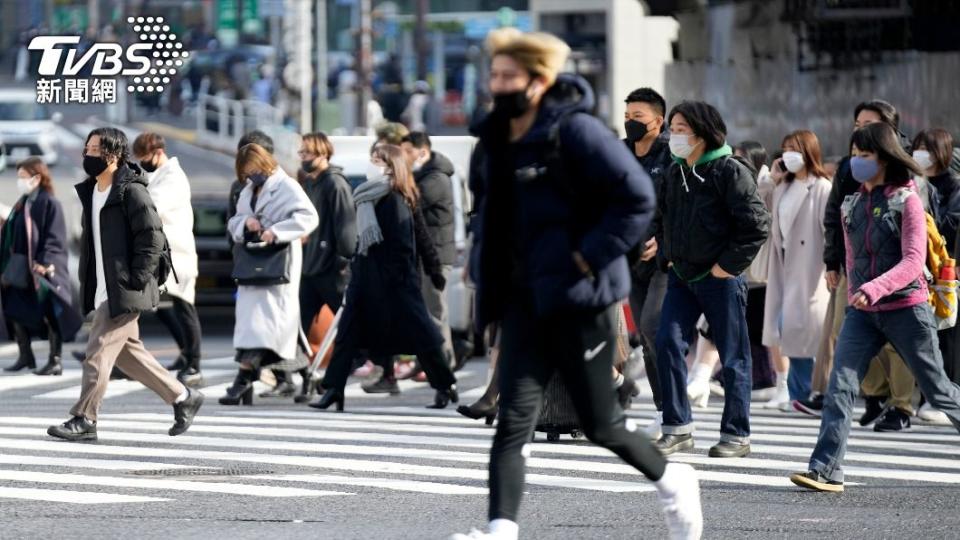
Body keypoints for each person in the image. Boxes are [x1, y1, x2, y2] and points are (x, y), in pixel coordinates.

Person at [450, 29, 702, 540]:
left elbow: (635, 199)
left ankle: (674, 479)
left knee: (600, 423)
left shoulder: (577, 133)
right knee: (514, 418)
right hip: (523, 299)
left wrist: (589, 257)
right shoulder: (494, 141)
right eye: (493, 75)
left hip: (578, 298)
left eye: (508, 76)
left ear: (539, 81)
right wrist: (484, 274)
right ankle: (500, 529)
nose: (497, 85)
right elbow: (489, 217)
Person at [790, 122, 960, 493]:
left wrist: (874, 287)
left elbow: (915, 261)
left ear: (884, 159)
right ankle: (825, 469)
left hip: (906, 310)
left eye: (864, 156)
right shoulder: (852, 203)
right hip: (864, 314)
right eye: (854, 155)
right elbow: (852, 256)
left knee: (939, 391)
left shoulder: (908, 201)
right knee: (840, 386)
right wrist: (854, 287)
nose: (856, 162)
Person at [47, 127, 203, 441]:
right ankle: (183, 397)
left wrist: (136, 279)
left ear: (113, 154)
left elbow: (152, 237)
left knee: (98, 351)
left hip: (124, 288)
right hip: (105, 286)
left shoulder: (131, 191)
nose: (87, 155)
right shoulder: (92, 191)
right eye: (86, 148)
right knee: (129, 356)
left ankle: (85, 418)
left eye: (93, 150)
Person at [652, 101, 770, 459]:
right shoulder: (674, 171)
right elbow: (664, 218)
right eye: (672, 127)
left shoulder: (729, 170)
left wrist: (727, 267)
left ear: (703, 133)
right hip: (681, 275)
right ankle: (677, 428)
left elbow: (756, 226)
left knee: (734, 356)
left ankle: (736, 435)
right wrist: (667, 256)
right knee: (667, 342)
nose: (674, 135)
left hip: (720, 278)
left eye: (681, 128)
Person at [310, 144, 459, 411]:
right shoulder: (367, 196)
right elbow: (363, 239)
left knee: (422, 336)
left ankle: (444, 384)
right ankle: (334, 389)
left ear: (391, 165)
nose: (372, 164)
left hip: (396, 283)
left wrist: (431, 272)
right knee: (347, 333)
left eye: (376, 160)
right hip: (365, 279)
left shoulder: (396, 197)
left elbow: (410, 241)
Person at [794, 99, 911, 420]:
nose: (861, 132)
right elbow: (834, 216)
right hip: (855, 267)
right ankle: (872, 395)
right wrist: (832, 262)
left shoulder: (905, 169)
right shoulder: (849, 166)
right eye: (858, 126)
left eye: (869, 126)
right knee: (846, 330)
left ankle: (901, 404)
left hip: (896, 272)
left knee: (896, 342)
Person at [220, 143, 319, 405]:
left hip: (278, 261)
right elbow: (234, 222)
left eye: (253, 169)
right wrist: (246, 223)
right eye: (246, 172)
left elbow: (309, 217)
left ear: (264, 163)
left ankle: (241, 381)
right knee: (269, 328)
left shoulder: (286, 186)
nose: (251, 175)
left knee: (267, 326)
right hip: (254, 262)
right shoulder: (248, 190)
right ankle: (308, 374)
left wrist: (276, 231)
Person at [761, 130, 832, 410]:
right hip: (785, 265)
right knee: (787, 329)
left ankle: (811, 392)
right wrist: (771, 179)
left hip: (811, 267)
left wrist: (830, 266)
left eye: (794, 148)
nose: (788, 153)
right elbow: (761, 204)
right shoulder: (782, 187)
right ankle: (800, 393)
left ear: (809, 151)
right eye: (784, 148)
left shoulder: (821, 187)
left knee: (806, 332)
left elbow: (829, 232)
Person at [132, 133, 203, 387]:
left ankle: (194, 363)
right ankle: (185, 353)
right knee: (162, 308)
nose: (143, 163)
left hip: (178, 254)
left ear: (158, 152)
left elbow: (153, 207)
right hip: (164, 255)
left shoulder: (173, 178)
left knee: (184, 306)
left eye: (145, 158)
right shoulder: (159, 176)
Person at [622, 87, 672, 439]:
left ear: (659, 120)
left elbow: (683, 206)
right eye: (627, 117)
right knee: (646, 336)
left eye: (637, 117)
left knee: (656, 328)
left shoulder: (671, 154)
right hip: (631, 260)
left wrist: (665, 242)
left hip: (665, 261)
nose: (631, 123)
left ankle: (675, 410)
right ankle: (664, 411)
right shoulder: (620, 154)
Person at [1, 158, 81, 375]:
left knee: (51, 313)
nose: (20, 181)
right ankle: (26, 355)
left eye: (23, 177)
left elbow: (54, 237)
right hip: (20, 267)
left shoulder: (49, 202)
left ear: (37, 177)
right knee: (13, 308)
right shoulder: (23, 201)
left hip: (42, 269)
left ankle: (55, 360)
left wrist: (46, 263)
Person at [294, 132, 357, 401]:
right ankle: (308, 376)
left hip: (332, 268)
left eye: (308, 153)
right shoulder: (312, 183)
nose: (304, 158)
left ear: (323, 153)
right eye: (302, 153)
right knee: (295, 325)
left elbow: (345, 225)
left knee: (351, 325)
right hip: (310, 267)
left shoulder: (334, 183)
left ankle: (378, 367)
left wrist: (344, 258)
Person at [913, 128, 960, 424]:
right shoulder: (914, 183)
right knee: (926, 332)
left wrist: (924, 211)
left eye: (926, 148)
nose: (919, 154)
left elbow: (951, 224)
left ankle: (947, 393)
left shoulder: (953, 186)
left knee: (948, 331)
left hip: (947, 270)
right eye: (916, 148)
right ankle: (927, 394)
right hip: (922, 268)